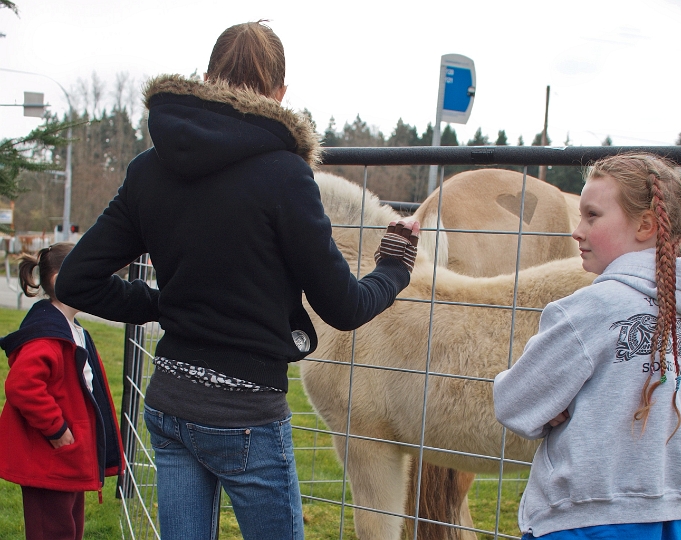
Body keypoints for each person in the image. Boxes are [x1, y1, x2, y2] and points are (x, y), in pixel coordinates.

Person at [54, 21, 419, 540]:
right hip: (246, 411)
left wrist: (164, 305)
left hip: (170, 403)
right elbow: (343, 306)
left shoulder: (149, 169)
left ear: (207, 78)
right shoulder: (286, 176)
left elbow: (76, 280)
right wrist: (396, 263)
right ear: (280, 94)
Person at [494, 153, 681, 540]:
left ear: (645, 224)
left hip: (581, 519)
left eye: (592, 216)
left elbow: (515, 402)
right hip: (662, 516)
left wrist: (555, 400)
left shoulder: (590, 309)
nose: (577, 231)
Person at [0, 242, 123, 540]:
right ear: (59, 280)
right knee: (52, 531)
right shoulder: (47, 335)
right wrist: (56, 428)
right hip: (49, 458)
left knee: (68, 529)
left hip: (68, 457)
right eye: (90, 275)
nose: (98, 283)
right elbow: (22, 385)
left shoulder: (71, 328)